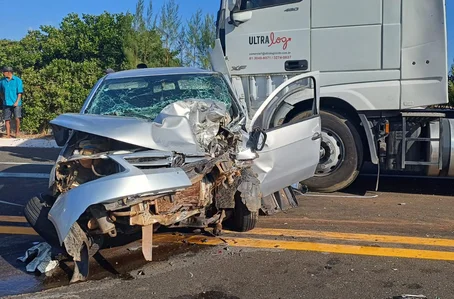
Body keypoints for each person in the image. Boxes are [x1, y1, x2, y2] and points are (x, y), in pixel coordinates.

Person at [0, 67, 23, 138]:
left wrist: (17, 102)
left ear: (8, 72)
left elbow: (20, 93)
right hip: (6, 103)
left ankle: (17, 132)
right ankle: (8, 134)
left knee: (17, 118)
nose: (3, 73)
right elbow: (1, 92)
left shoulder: (18, 80)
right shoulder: (2, 81)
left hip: (16, 103)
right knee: (7, 119)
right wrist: (3, 99)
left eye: (4, 72)